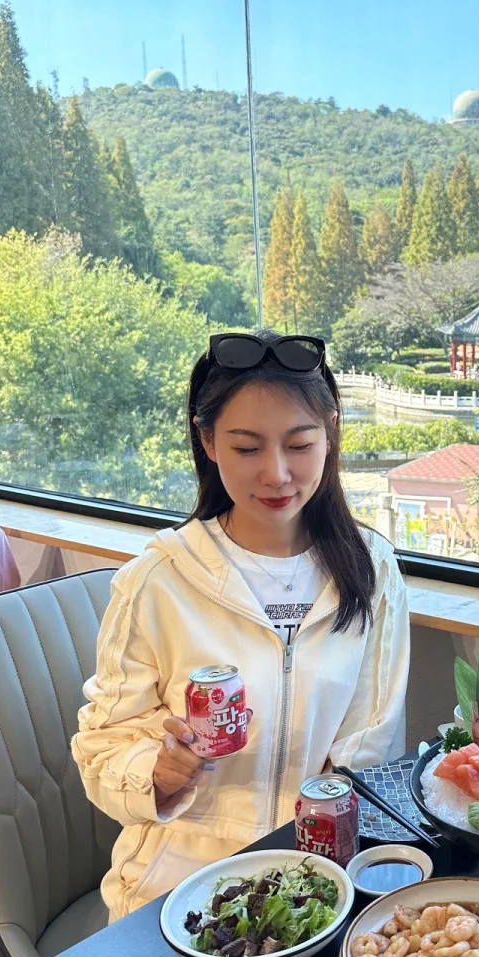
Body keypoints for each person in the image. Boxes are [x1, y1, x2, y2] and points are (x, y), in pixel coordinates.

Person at [72, 330, 409, 920]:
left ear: (330, 433)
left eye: (299, 444)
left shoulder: (371, 569)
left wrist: (316, 868)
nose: (277, 474)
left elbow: (369, 746)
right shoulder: (159, 579)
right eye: (247, 448)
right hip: (179, 889)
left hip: (315, 881)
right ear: (207, 441)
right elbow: (103, 747)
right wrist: (158, 773)